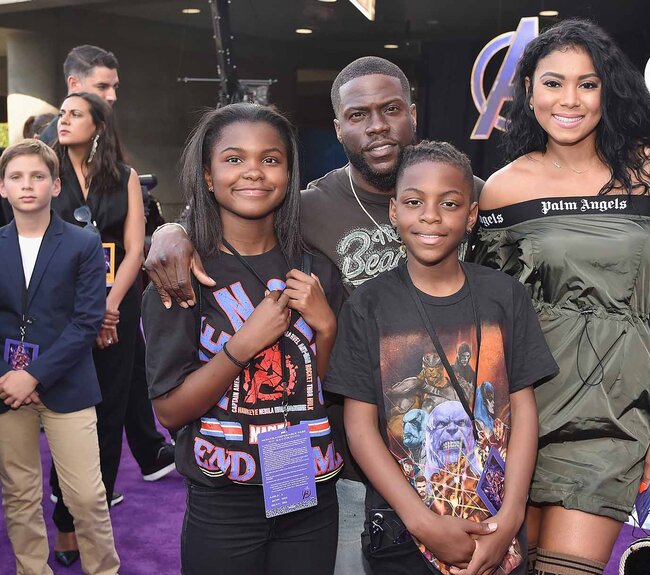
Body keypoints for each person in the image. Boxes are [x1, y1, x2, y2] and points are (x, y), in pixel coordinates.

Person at [144, 56, 485, 575]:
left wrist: (325, 326)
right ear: (337, 127)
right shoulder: (310, 207)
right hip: (325, 463)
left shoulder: (468, 193)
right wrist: (170, 233)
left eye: (391, 109)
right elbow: (235, 204)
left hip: (446, 433)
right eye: (359, 114)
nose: (376, 126)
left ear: (414, 115)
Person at [473, 19, 650, 574]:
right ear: (528, 92)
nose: (570, 99)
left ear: (607, 91)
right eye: (553, 83)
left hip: (613, 414)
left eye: (587, 84)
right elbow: (488, 320)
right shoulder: (505, 186)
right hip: (523, 410)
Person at [325, 140, 558, 575]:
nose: (430, 215)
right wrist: (422, 521)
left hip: (496, 528)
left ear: (470, 216)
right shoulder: (368, 305)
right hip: (402, 531)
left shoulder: (504, 295)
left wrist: (511, 517)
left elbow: (524, 411)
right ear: (395, 212)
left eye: (449, 203)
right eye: (415, 202)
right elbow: (359, 427)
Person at [142, 102, 342, 574]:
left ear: (289, 174)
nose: (253, 171)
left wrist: (327, 327)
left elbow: (330, 392)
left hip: (307, 494)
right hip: (223, 501)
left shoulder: (317, 274)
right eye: (234, 159)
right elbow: (169, 411)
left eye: (270, 159)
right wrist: (242, 347)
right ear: (208, 177)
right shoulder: (182, 275)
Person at [0, 139, 120, 574]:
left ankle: (104, 570)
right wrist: (11, 377)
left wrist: (33, 375)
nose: (26, 185)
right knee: (19, 493)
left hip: (67, 383)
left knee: (87, 496)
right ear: (2, 187)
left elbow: (87, 322)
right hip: (6, 388)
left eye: (37, 176)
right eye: (16, 177)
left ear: (55, 186)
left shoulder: (83, 244)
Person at [48, 91, 145, 564]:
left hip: (115, 307)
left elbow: (135, 248)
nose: (62, 120)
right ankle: (65, 523)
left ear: (99, 125)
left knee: (108, 417)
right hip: (59, 311)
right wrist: (88, 311)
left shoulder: (124, 177)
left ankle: (94, 519)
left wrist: (108, 306)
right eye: (61, 113)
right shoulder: (48, 172)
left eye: (73, 114)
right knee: (65, 412)